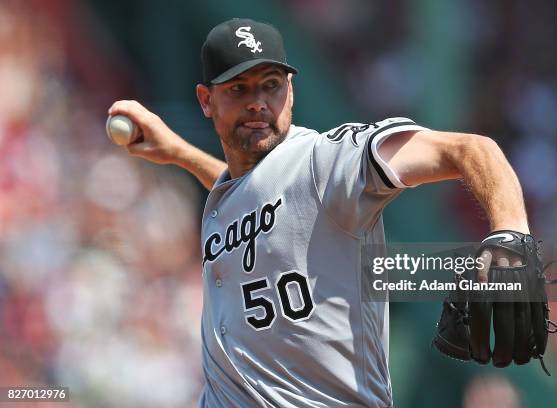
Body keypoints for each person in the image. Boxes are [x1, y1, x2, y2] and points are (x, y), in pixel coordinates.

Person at [109, 17, 530, 408]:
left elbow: (471, 149)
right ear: (206, 101)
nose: (258, 102)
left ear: (290, 91)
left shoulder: (326, 162)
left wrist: (511, 234)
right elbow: (258, 198)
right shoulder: (233, 196)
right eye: (238, 89)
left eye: (270, 85)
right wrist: (178, 153)